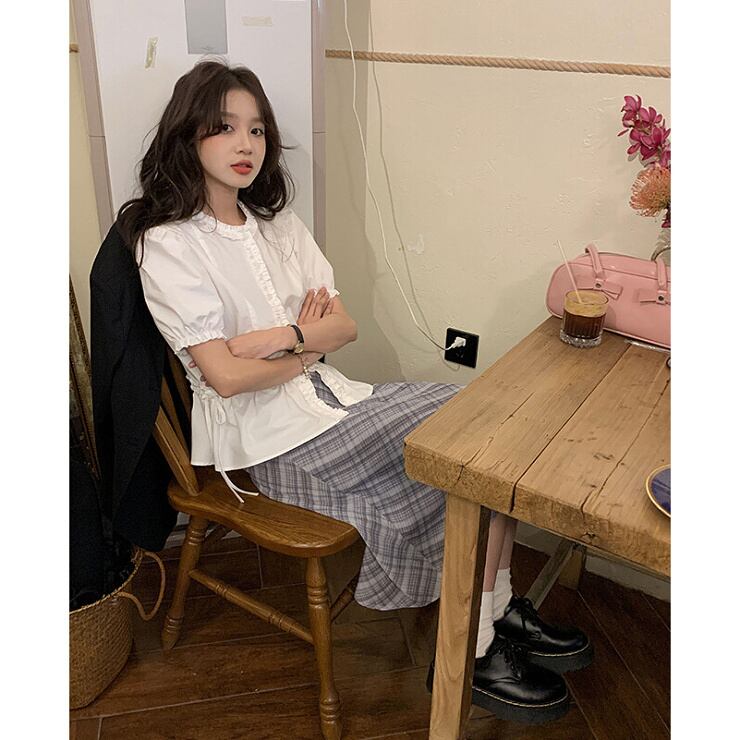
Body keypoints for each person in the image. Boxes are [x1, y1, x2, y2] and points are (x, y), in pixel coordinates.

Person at [116, 59, 591, 724]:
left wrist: (282, 339)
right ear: (187, 134)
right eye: (224, 127)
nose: (246, 144)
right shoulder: (168, 244)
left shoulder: (279, 225)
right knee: (479, 436)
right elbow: (225, 377)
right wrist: (304, 345)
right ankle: (477, 644)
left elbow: (343, 326)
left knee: (484, 426)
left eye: (257, 129)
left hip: (336, 402)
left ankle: (494, 612)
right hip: (271, 442)